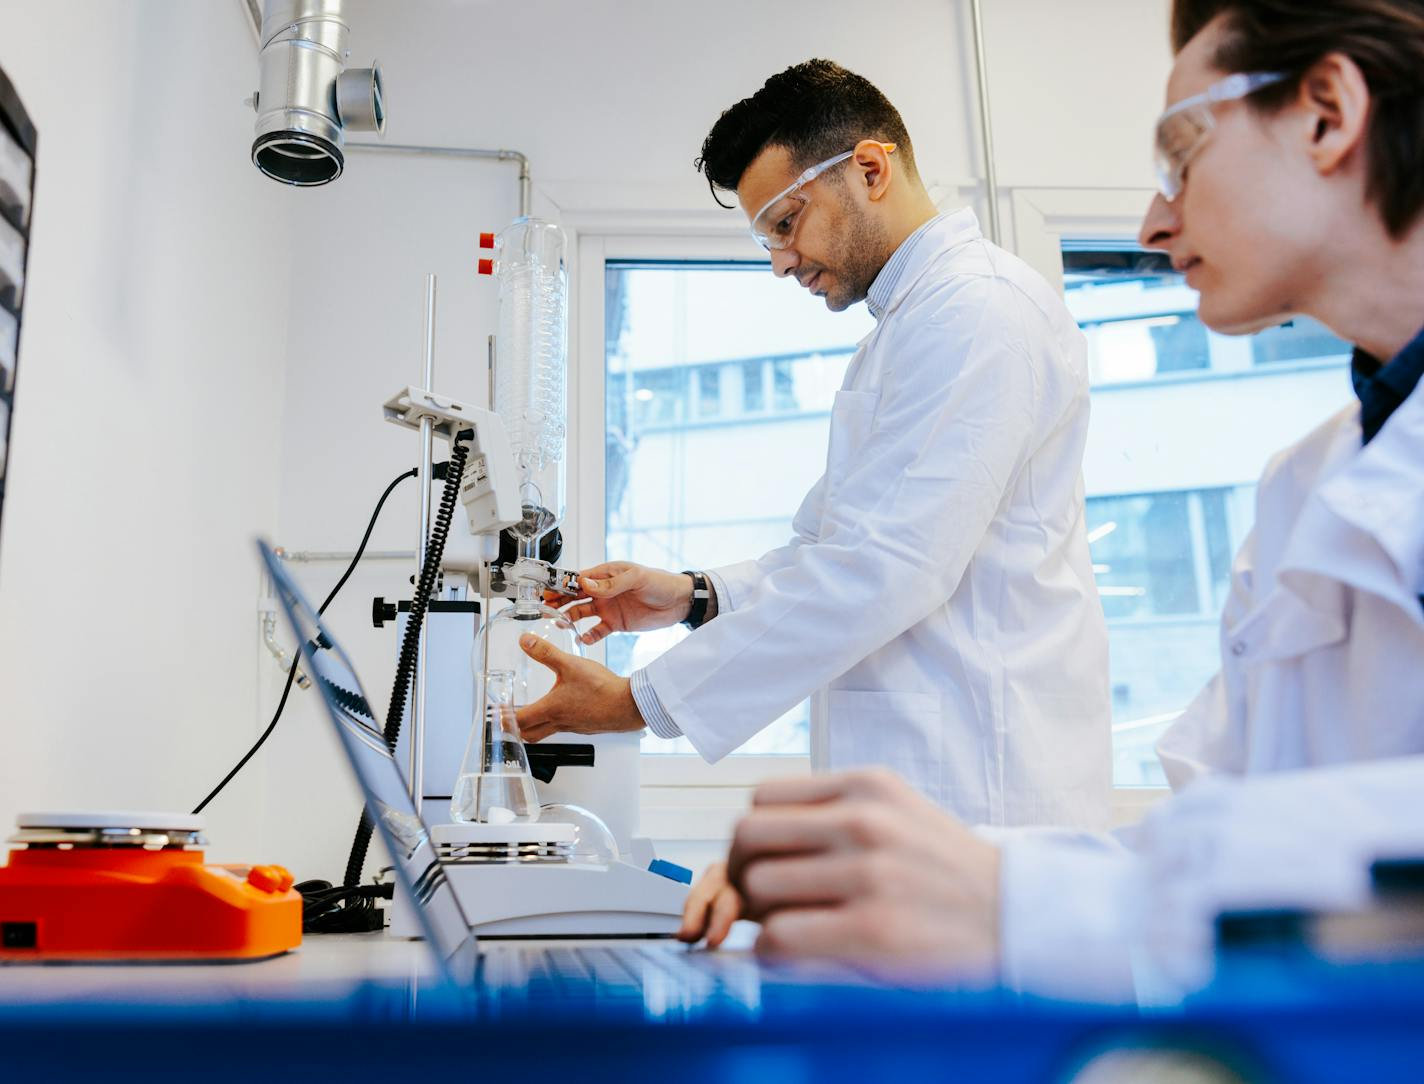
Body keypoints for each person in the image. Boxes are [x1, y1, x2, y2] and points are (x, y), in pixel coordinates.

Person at [681, 0, 1424, 998]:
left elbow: (884, 565)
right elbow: (1227, 830)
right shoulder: (1306, 482)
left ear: (1327, 113)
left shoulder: (976, 309)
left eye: (1181, 152)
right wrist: (902, 872)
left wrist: (1010, 891)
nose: (1154, 221)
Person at [516, 60, 1112, 832]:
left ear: (869, 169)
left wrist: (638, 701)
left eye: (785, 224)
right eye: (767, 237)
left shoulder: (976, 313)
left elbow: (884, 569)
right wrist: (694, 596)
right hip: (931, 795)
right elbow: (832, 551)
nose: (780, 261)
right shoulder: (906, 332)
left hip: (984, 794)